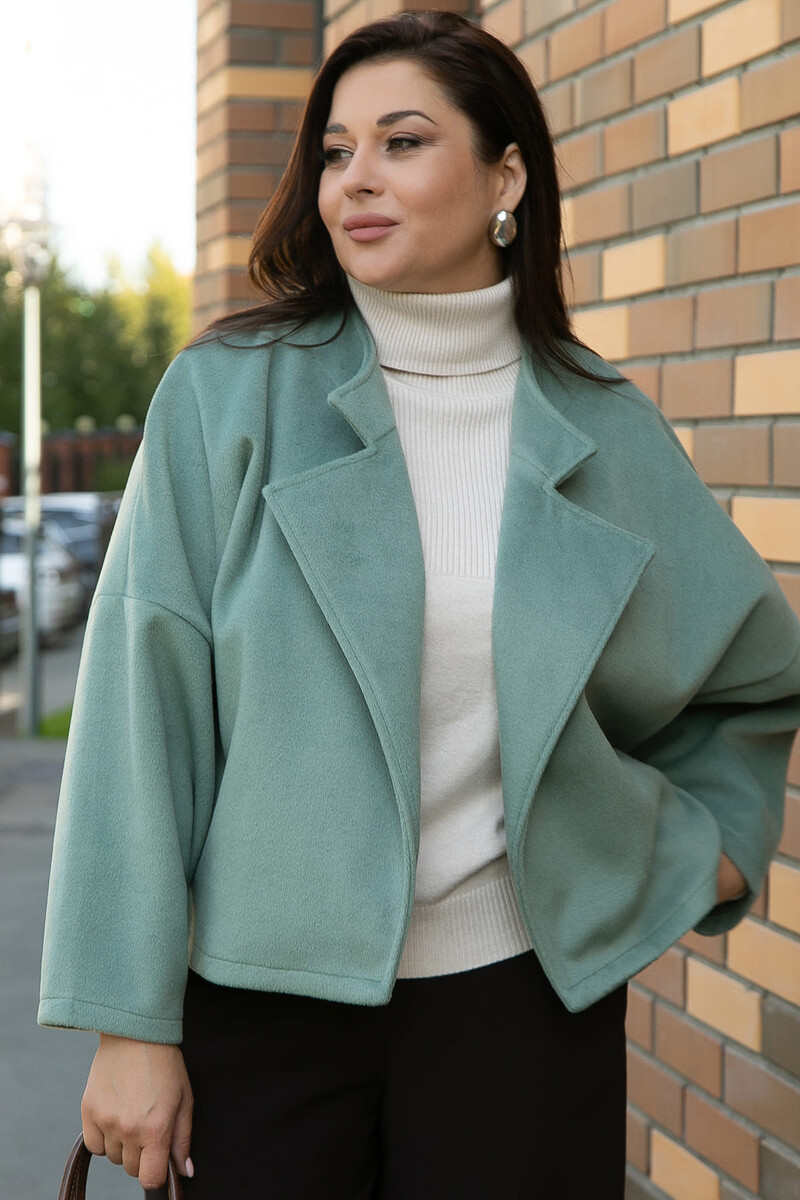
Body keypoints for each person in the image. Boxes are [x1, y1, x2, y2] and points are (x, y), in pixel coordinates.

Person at [40, 11, 800, 1199]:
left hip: (523, 1008)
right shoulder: (226, 398)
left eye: (401, 142)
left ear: (505, 178)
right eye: (335, 152)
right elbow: (141, 714)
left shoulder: (603, 427)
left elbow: (744, 680)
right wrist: (127, 1022)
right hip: (262, 1007)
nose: (355, 180)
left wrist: (692, 855)